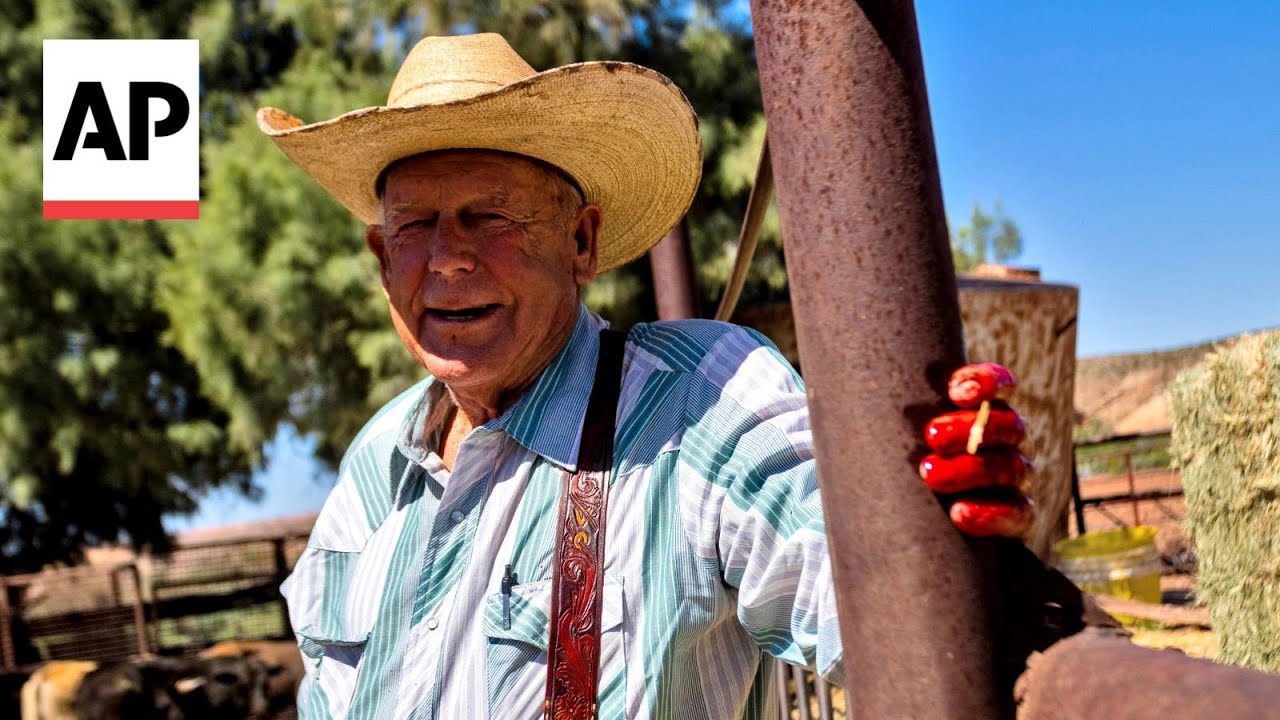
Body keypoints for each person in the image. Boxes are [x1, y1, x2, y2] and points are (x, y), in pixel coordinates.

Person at [259, 33, 1033, 720]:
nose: (447, 258)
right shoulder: (375, 463)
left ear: (582, 241)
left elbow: (873, 594)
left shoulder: (700, 401)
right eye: (414, 226)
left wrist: (947, 534)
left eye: (491, 216)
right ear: (380, 257)